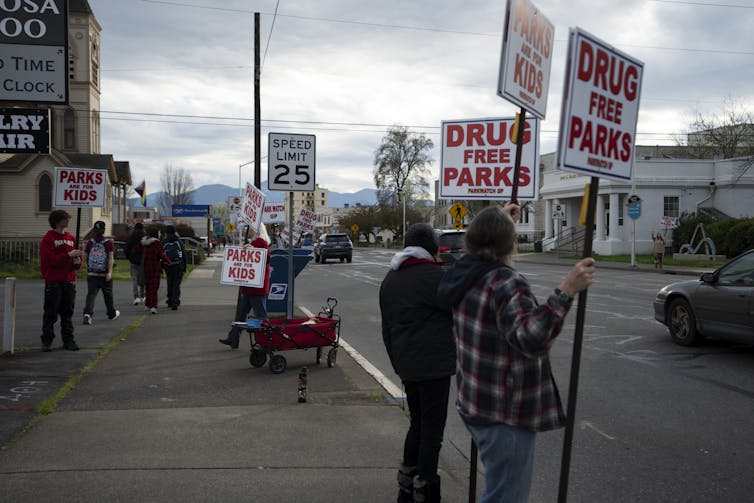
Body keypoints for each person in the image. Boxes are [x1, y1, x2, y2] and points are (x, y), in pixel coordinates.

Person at [437, 204, 596, 503]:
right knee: (505, 497)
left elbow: (482, 242)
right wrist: (566, 290)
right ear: (509, 243)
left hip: (477, 403)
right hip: (504, 412)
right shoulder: (504, 281)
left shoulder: (462, 273)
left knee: (499, 490)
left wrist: (500, 221)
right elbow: (531, 339)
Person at [379, 223, 455, 503]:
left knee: (418, 424)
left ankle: (407, 486)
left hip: (407, 364)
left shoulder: (391, 278)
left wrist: (397, 362)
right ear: (431, 247)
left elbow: (387, 329)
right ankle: (426, 488)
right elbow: (457, 306)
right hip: (434, 365)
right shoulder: (436, 276)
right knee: (432, 430)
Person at [219, 224, 271, 349]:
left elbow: (266, 259)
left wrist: (251, 249)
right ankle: (233, 338)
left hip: (256, 287)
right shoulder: (255, 242)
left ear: (257, 231)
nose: (248, 231)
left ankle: (268, 340)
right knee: (241, 314)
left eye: (251, 228)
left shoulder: (261, 242)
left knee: (260, 316)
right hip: (250, 286)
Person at [40, 210, 83, 351]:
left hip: (69, 280)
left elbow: (77, 261)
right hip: (53, 281)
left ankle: (68, 341)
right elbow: (50, 260)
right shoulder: (48, 238)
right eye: (65, 218)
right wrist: (68, 255)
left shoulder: (71, 238)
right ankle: (47, 341)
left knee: (67, 313)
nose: (68, 221)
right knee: (51, 313)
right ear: (57, 220)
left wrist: (77, 262)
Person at [82, 221, 120, 325]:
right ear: (104, 230)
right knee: (108, 295)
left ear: (94, 230)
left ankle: (87, 314)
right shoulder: (108, 243)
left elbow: (84, 256)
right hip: (104, 274)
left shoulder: (90, 242)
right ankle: (111, 314)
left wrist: (81, 267)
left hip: (92, 274)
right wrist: (109, 272)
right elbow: (110, 258)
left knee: (91, 295)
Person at [141, 227, 171, 314]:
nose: (160, 234)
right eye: (158, 233)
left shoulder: (143, 242)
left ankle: (147, 304)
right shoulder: (156, 243)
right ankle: (153, 306)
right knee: (154, 288)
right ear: (155, 234)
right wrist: (168, 261)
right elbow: (161, 254)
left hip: (146, 267)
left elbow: (136, 250)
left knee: (148, 286)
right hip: (155, 267)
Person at [162, 225, 186, 310]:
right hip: (178, 265)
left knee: (169, 282)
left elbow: (162, 254)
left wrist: (162, 266)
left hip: (167, 265)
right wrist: (184, 267)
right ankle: (175, 301)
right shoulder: (178, 241)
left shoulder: (164, 241)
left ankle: (170, 300)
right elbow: (183, 254)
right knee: (176, 284)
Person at [123, 222, 146, 305]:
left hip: (133, 261)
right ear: (142, 228)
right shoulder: (145, 237)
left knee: (135, 279)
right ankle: (143, 296)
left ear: (135, 228)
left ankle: (136, 297)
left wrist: (129, 257)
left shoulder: (131, 237)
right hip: (143, 261)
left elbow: (126, 249)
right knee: (143, 279)